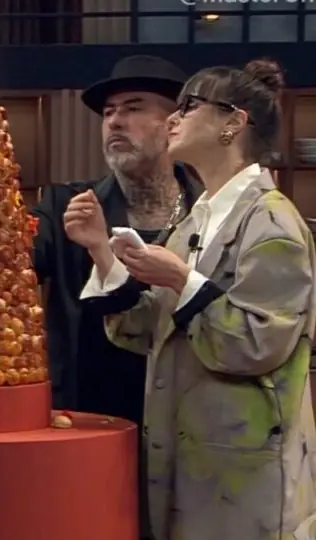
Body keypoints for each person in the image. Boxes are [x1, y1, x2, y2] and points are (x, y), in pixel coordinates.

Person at [69, 58, 316, 540]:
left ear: (233, 123)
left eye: (189, 107)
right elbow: (149, 329)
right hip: (188, 461)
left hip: (245, 477)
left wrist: (183, 280)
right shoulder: (195, 222)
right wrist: (102, 251)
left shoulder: (272, 223)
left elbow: (257, 344)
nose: (174, 119)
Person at [32, 55, 203, 425]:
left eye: (134, 108)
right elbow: (7, 261)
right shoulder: (66, 206)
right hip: (87, 419)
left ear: (174, 124)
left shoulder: (211, 213)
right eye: (108, 112)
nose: (115, 122)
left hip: (186, 421)